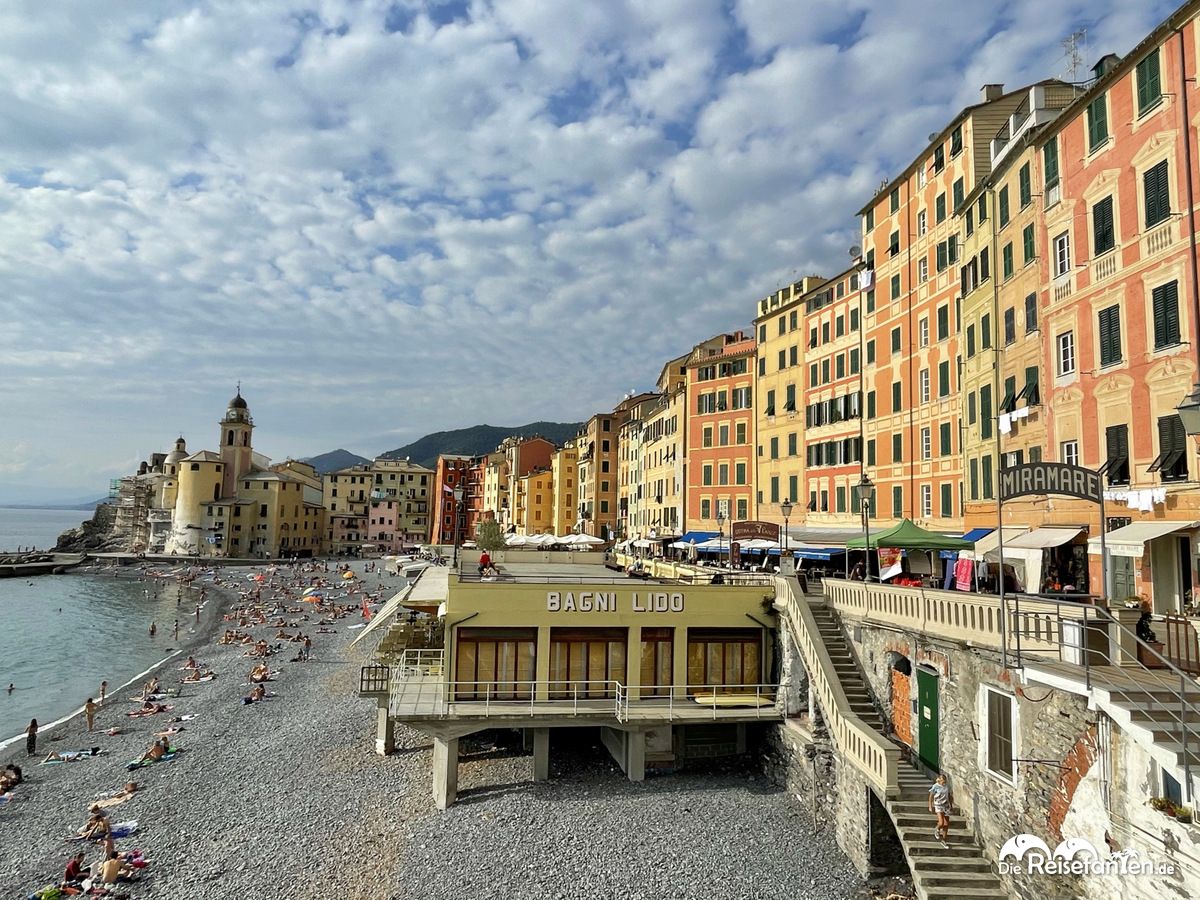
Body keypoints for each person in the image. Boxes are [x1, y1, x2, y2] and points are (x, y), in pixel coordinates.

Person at [928, 774, 952, 846]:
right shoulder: (936, 786)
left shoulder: (947, 786)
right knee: (941, 822)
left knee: (946, 824)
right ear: (940, 780)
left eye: (945, 780)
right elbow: (931, 796)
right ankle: (937, 829)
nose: (944, 782)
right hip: (938, 805)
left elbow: (949, 796)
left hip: (946, 805)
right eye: (943, 780)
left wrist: (951, 805)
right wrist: (930, 806)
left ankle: (944, 840)